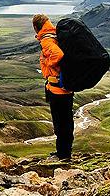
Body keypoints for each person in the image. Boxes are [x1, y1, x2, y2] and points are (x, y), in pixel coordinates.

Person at [33, 14, 74, 160]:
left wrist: (48, 64)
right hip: (65, 87)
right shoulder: (55, 35)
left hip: (58, 90)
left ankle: (63, 155)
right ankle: (64, 152)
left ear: (36, 27)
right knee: (66, 121)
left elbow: (58, 55)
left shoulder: (47, 40)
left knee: (60, 123)